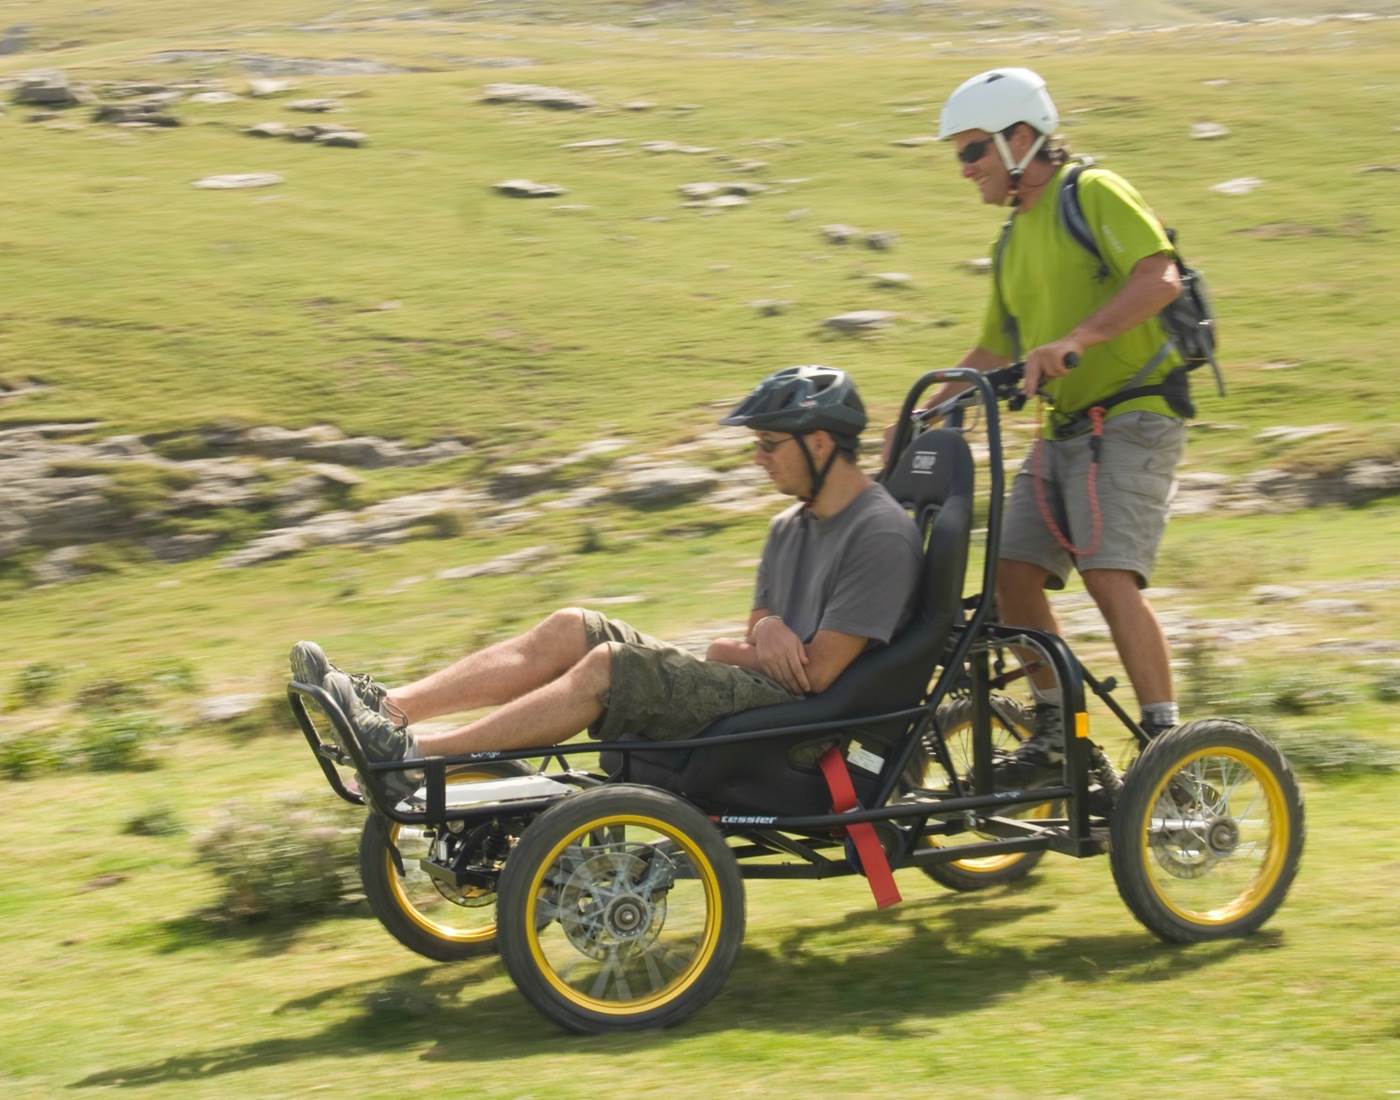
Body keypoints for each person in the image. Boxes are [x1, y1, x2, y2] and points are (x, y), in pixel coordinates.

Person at [292, 366, 923, 803]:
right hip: (758, 691)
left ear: (819, 441)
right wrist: (765, 634)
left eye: (768, 445)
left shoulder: (879, 533)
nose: (757, 458)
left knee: (613, 666)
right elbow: (758, 630)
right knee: (575, 626)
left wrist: (744, 646)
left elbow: (815, 677)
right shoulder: (791, 524)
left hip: (803, 729)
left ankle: (420, 756)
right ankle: (386, 711)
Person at [923, 67, 1189, 785]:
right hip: (1065, 426)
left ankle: (1167, 740)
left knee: (1107, 573)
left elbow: (1160, 276)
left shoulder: (1091, 192)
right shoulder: (1012, 242)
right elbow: (994, 347)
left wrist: (1078, 340)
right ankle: (1058, 736)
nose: (965, 169)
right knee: (1011, 573)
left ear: (1019, 138)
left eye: (971, 150)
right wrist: (920, 413)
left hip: (1134, 414)